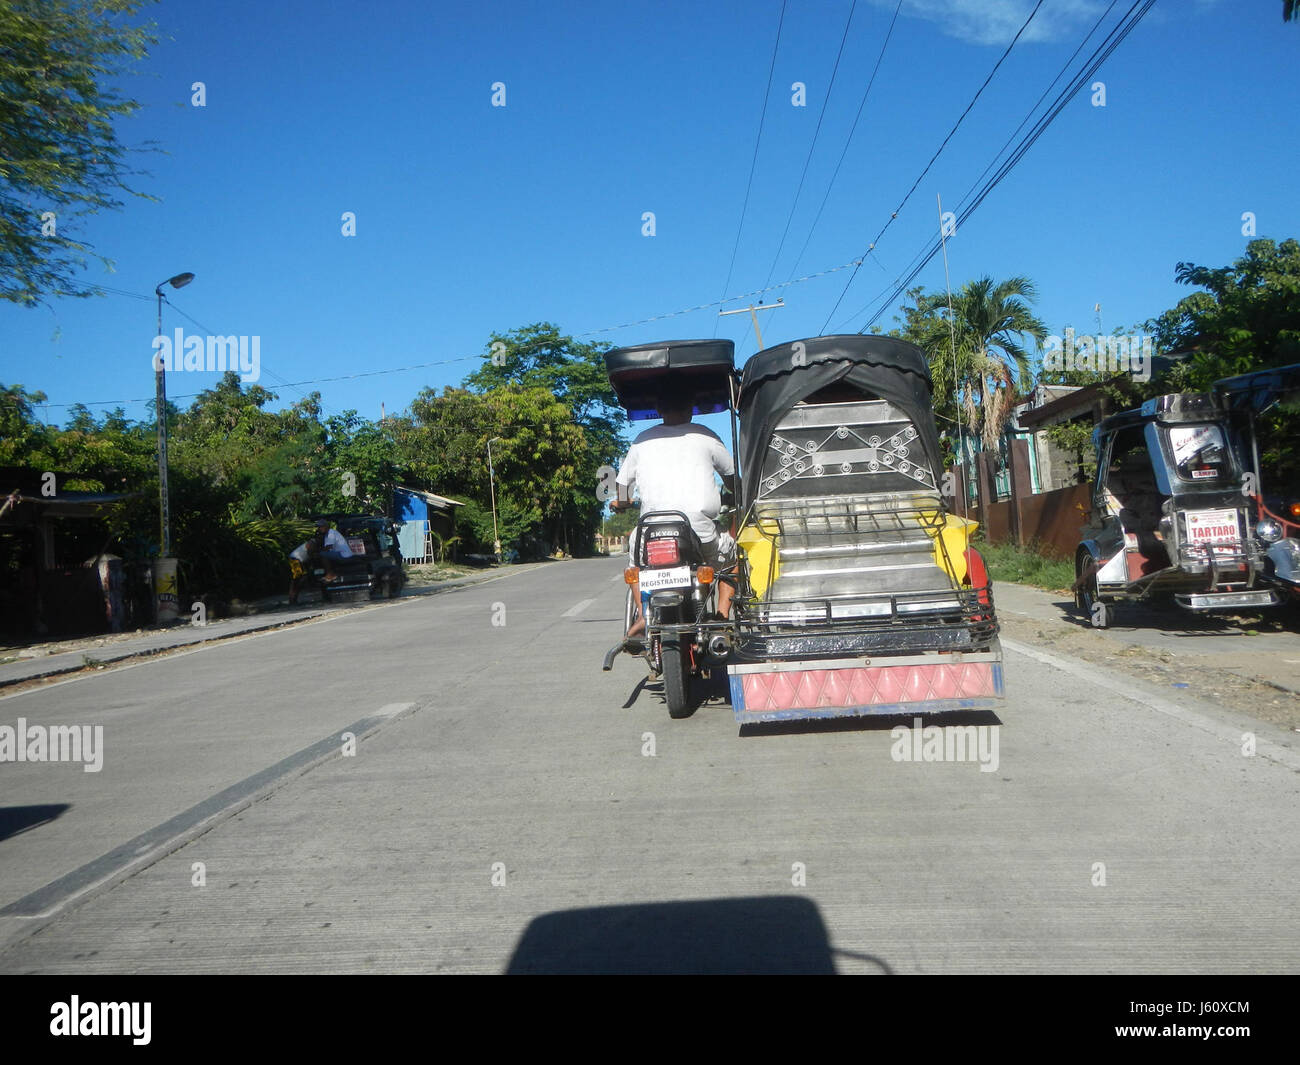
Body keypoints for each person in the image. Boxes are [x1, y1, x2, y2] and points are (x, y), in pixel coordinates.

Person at [612, 391, 736, 642]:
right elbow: (733, 479)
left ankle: (644, 614)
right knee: (731, 561)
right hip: (699, 533)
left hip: (651, 534)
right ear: (691, 407)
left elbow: (622, 489)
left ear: (658, 409)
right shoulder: (705, 435)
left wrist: (621, 503)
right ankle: (722, 618)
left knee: (636, 566)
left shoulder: (640, 441)